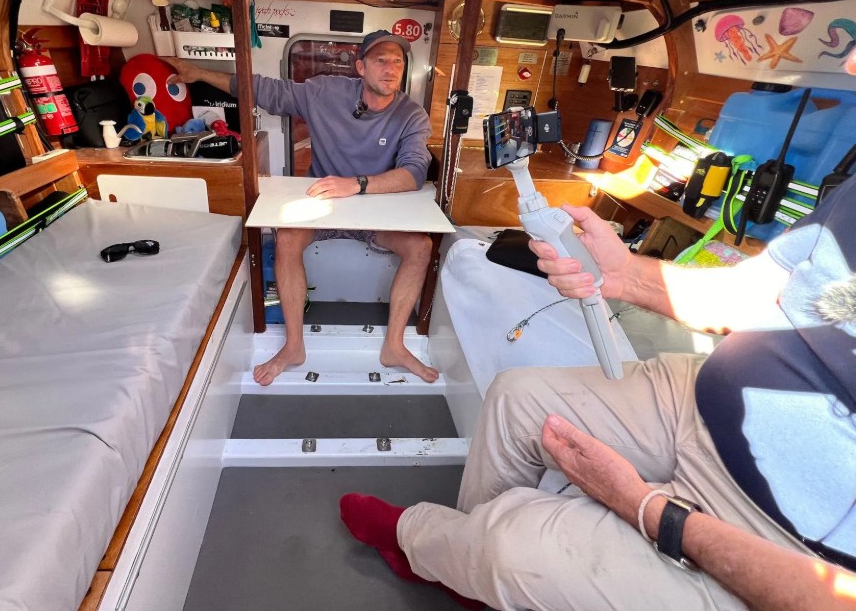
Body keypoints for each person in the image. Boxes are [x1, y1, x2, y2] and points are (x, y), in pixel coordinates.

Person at [340, 174, 856, 609]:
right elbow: (759, 291)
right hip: (699, 396)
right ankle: (466, 569)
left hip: (786, 536)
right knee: (517, 397)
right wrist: (626, 275)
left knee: (512, 549)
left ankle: (443, 548)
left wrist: (644, 506)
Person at [167, 30, 436, 386]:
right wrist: (198, 74)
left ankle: (395, 346)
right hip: (323, 205)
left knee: (421, 246)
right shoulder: (325, 92)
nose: (391, 69)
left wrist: (356, 184)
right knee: (287, 238)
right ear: (360, 67)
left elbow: (414, 171)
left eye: (398, 62)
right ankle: (293, 346)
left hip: (374, 213)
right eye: (380, 60)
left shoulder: (412, 115)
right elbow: (264, 89)